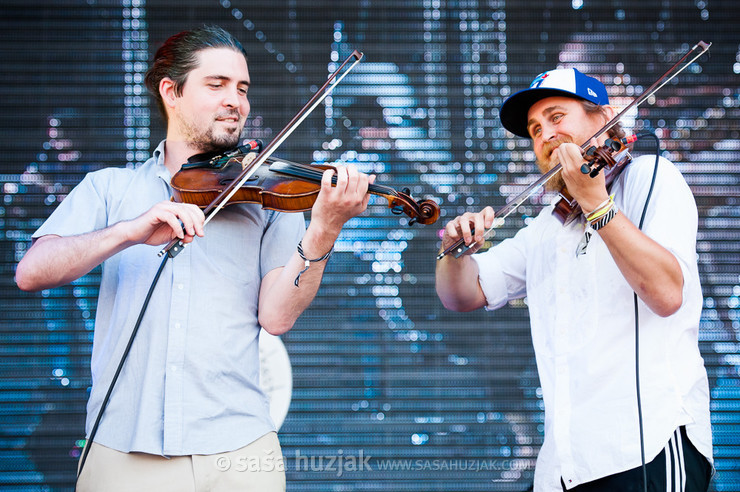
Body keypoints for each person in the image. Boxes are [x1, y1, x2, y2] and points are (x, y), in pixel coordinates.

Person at [15, 25, 373, 492]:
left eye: (242, 89)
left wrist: (325, 227)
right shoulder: (109, 188)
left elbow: (278, 317)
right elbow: (31, 272)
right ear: (172, 92)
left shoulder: (267, 197)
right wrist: (129, 231)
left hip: (240, 452)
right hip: (121, 451)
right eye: (217, 84)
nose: (236, 101)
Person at [436, 68, 713, 491]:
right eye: (534, 128)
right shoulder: (548, 225)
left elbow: (667, 293)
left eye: (556, 116)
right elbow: (462, 294)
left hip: (647, 447)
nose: (545, 133)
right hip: (565, 468)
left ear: (602, 118)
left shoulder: (650, 177)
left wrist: (596, 202)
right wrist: (455, 250)